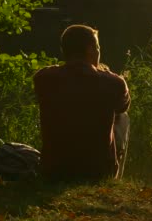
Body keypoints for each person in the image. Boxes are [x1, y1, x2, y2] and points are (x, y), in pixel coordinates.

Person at [33, 24, 131, 181]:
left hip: (53, 171)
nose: (99, 53)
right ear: (90, 50)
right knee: (123, 117)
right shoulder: (114, 83)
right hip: (98, 173)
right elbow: (123, 106)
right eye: (97, 48)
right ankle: (114, 179)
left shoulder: (43, 78)